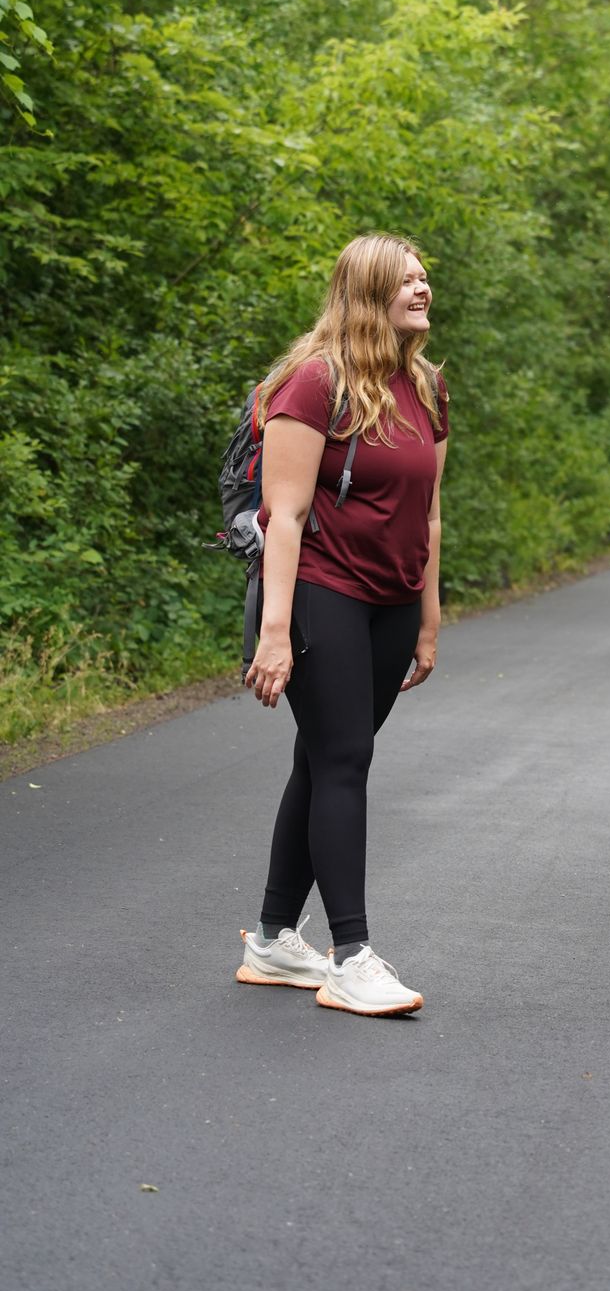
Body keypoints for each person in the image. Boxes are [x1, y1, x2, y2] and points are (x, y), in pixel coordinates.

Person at [233, 232, 448, 1016]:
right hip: (320, 592)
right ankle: (351, 956)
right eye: (406, 280)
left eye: (424, 278)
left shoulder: (424, 388)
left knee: (324, 759)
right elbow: (283, 516)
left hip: (392, 601)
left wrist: (428, 618)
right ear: (368, 292)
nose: (422, 289)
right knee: (346, 759)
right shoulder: (314, 382)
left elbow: (429, 513)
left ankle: (270, 939)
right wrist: (275, 633)